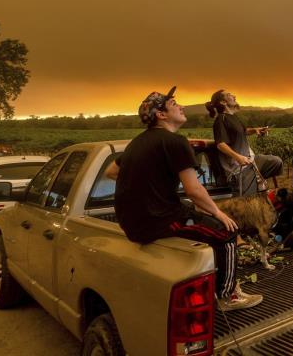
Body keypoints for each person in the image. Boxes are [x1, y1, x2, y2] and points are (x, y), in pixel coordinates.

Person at [105, 86, 262, 310]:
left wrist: (147, 185)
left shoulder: (137, 142)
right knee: (228, 231)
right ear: (161, 115)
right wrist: (218, 213)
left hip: (132, 223)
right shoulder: (175, 142)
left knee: (191, 210)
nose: (182, 107)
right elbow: (193, 190)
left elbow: (111, 171)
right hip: (159, 222)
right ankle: (228, 296)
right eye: (174, 105)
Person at [205, 89, 283, 196]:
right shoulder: (220, 120)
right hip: (238, 169)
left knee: (276, 162)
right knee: (249, 203)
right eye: (229, 95)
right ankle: (250, 183)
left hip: (251, 161)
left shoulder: (233, 117)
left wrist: (256, 130)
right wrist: (238, 157)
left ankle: (256, 180)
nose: (234, 96)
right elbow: (220, 144)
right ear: (223, 102)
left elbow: (244, 131)